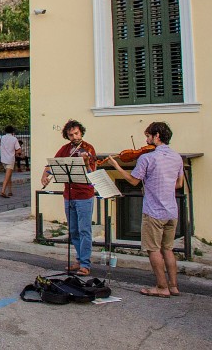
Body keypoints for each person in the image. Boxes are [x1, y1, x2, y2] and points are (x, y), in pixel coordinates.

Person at [106, 122, 184, 298]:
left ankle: (161, 287)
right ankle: (173, 286)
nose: (146, 140)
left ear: (156, 136)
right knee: (168, 249)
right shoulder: (177, 157)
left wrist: (116, 165)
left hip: (154, 211)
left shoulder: (147, 158)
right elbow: (179, 184)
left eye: (148, 136)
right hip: (172, 210)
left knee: (153, 249)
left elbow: (133, 181)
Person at [41, 119, 96, 276]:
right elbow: (52, 165)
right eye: (71, 135)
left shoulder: (88, 148)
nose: (74, 137)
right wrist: (44, 175)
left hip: (84, 194)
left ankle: (85, 264)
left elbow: (92, 173)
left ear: (81, 132)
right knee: (73, 230)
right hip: (69, 194)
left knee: (85, 230)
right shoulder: (65, 149)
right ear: (67, 135)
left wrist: (86, 162)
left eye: (77, 133)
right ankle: (79, 260)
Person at [0, 126, 21, 198]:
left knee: (9, 176)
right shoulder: (14, 139)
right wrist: (16, 152)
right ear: (12, 131)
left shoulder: (1, 138)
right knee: (7, 176)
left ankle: (10, 191)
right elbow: (19, 150)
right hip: (10, 159)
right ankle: (3, 191)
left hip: (3, 159)